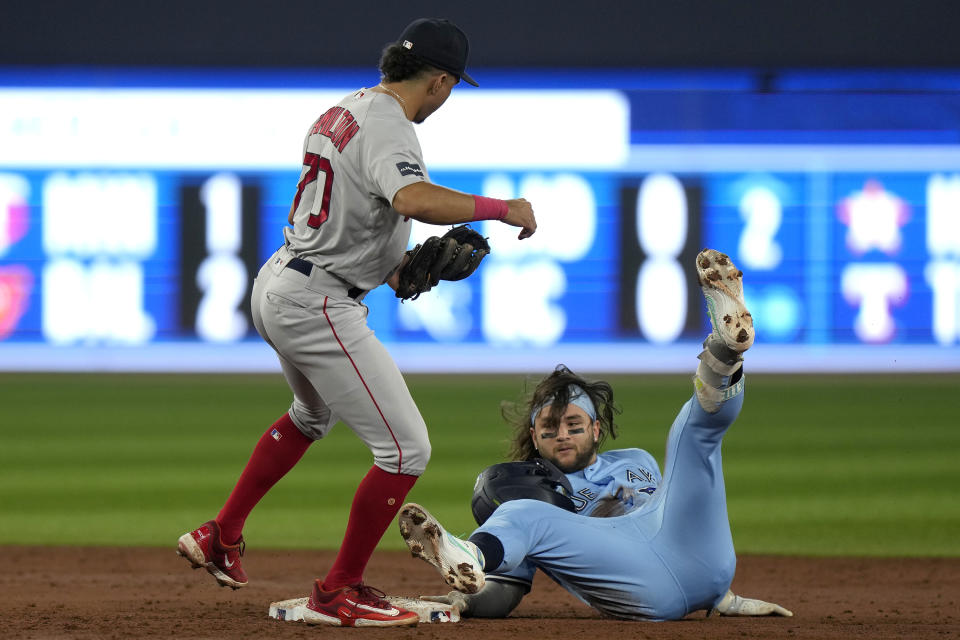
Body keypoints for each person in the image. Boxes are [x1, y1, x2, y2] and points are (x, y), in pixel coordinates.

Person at [176, 17, 537, 629]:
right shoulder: (391, 125)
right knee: (406, 449)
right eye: (451, 88)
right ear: (441, 81)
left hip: (284, 280)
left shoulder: (346, 109)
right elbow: (411, 199)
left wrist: (394, 270)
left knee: (311, 416)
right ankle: (338, 589)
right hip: (317, 302)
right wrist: (503, 208)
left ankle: (221, 534)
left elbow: (353, 210)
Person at [398, 249, 794, 621]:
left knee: (689, 437)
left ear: (596, 429)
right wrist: (466, 602)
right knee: (521, 513)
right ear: (535, 437)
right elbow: (506, 593)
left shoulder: (637, 459)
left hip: (707, 567)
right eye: (550, 429)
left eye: (574, 425)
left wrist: (727, 596)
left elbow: (684, 514)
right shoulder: (533, 492)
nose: (563, 435)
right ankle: (470, 556)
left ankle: (725, 352)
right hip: (641, 584)